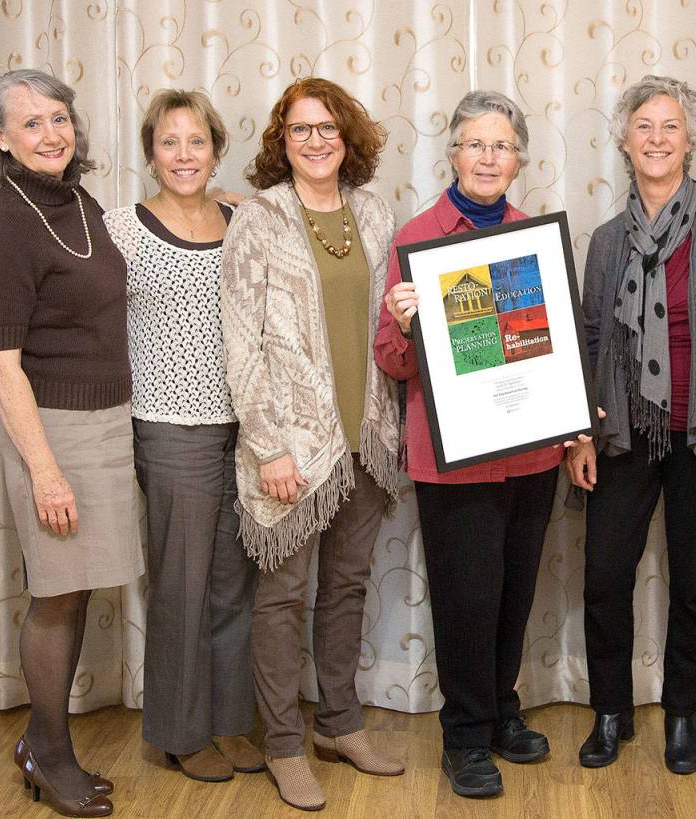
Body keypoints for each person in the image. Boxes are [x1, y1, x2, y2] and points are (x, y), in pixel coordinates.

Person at [566, 75, 696, 775]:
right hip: (625, 435)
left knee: (694, 582)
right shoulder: (604, 240)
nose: (657, 138)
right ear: (625, 142)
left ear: (689, 141)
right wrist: (584, 435)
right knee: (603, 579)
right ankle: (611, 713)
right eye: (644, 126)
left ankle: (681, 711)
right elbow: (593, 339)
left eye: (670, 127)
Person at [220, 77, 403, 812]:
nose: (316, 140)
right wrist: (268, 446)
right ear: (282, 142)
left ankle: (340, 724)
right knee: (284, 592)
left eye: (327, 127)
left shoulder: (376, 213)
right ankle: (284, 745)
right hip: (294, 444)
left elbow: (391, 324)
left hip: (368, 435)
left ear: (347, 136)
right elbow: (241, 344)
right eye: (300, 130)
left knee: (348, 585)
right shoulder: (260, 218)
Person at [0, 68, 145, 817]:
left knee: (75, 589)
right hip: (51, 430)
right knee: (55, 593)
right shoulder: (5, 223)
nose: (51, 134)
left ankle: (45, 743)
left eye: (59, 118)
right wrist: (44, 471)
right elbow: (0, 362)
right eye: (30, 123)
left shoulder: (77, 200)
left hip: (103, 420)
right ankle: (49, 751)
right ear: (0, 139)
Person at [376, 90, 563, 800]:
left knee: (515, 593)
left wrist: (572, 415)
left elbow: (549, 349)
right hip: (453, 460)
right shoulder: (418, 237)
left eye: (502, 145)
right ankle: (463, 735)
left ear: (519, 158)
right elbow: (392, 362)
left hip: (532, 452)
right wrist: (400, 320)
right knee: (466, 599)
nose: (488, 157)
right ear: (453, 154)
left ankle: (500, 711)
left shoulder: (534, 236)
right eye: (475, 144)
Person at [102, 89, 262, 783]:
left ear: (216, 149)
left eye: (196, 141)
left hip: (244, 429)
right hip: (170, 431)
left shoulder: (240, 218)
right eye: (170, 142)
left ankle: (229, 722)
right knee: (182, 584)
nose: (184, 154)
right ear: (150, 153)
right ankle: (178, 731)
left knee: (235, 586)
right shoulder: (123, 229)